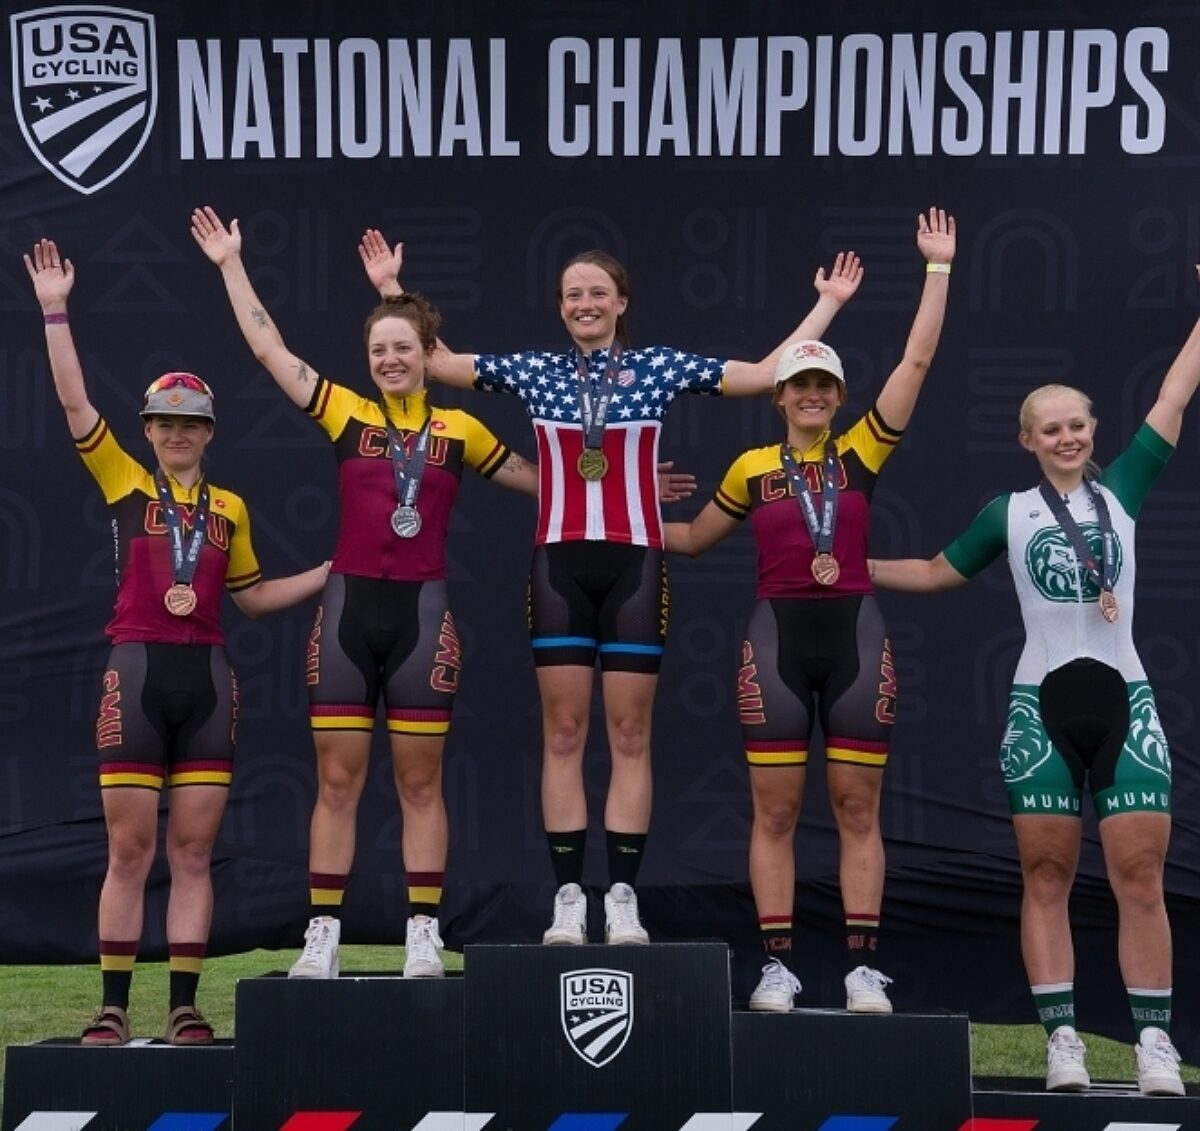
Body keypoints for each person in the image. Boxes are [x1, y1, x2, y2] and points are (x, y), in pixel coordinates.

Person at [359, 228, 864, 946]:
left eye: (598, 292)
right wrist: (391, 288)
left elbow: (763, 373)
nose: (585, 304)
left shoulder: (657, 367)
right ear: (560, 306)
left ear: (621, 302)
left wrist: (828, 304)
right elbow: (436, 361)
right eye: (573, 295)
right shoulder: (535, 370)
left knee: (629, 733)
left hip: (636, 565)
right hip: (558, 566)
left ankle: (623, 894)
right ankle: (569, 895)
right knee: (563, 732)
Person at [194, 205, 603, 980]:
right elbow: (270, 347)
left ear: (425, 356)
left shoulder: (460, 431)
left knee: (420, 781)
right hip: (348, 613)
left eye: (403, 348)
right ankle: (323, 932)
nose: (390, 359)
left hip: (422, 615)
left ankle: (422, 930)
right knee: (336, 780)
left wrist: (625, 480)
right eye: (378, 349)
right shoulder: (345, 413)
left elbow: (544, 480)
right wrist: (230, 264)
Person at [869, 269, 1200, 1095]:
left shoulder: (1125, 489)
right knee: (1045, 877)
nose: (1067, 437)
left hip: (1125, 702)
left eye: (1077, 424)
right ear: (1027, 440)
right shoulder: (1007, 513)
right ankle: (1064, 1044)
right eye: (1051, 428)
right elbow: (936, 571)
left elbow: (1174, 394)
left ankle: (1155, 1043)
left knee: (1140, 878)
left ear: (1094, 429)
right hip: (1039, 708)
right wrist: (850, 566)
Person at [25, 238, 329, 1046]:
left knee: (193, 852)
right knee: (129, 851)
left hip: (209, 683)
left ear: (209, 431)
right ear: (150, 429)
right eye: (165, 422)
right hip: (136, 672)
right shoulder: (124, 479)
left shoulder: (230, 508)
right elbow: (74, 403)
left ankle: (185, 1005)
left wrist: (327, 573)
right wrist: (55, 310)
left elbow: (252, 597)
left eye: (191, 423)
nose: (178, 433)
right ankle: (112, 1006)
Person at [663, 209, 956, 1012]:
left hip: (855, 637)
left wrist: (937, 268)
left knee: (858, 807)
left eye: (825, 385)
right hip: (777, 644)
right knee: (777, 810)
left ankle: (862, 967)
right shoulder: (751, 468)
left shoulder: (861, 452)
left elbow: (918, 359)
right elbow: (691, 539)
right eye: (800, 384)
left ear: (838, 396)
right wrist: (610, 505)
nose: (813, 395)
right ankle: (778, 965)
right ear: (781, 396)